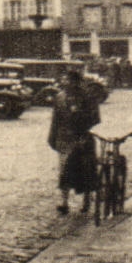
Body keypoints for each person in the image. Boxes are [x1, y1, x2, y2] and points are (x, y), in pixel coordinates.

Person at [47, 68, 101, 214]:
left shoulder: (88, 97)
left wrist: (82, 119)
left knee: (86, 170)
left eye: (69, 80)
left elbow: (96, 118)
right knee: (64, 170)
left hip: (83, 138)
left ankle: (86, 200)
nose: (65, 82)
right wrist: (52, 137)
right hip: (64, 139)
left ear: (77, 82)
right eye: (64, 79)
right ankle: (64, 202)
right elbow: (55, 119)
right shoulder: (59, 97)